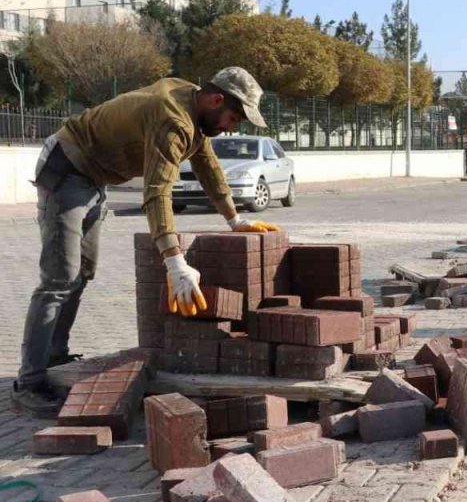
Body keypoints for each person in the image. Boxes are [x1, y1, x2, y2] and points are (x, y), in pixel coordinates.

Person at [13, 67, 281, 417]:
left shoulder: (193, 105)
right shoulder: (172, 118)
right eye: (234, 118)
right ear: (216, 100)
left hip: (93, 177)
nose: (232, 128)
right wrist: (175, 262)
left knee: (83, 272)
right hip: (68, 167)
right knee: (59, 278)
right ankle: (29, 382)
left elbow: (207, 165)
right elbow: (157, 193)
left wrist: (236, 220)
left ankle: (54, 357)